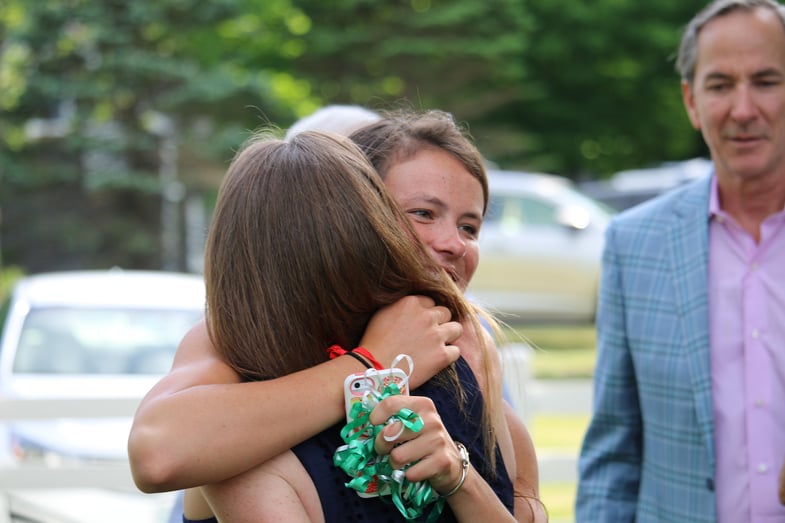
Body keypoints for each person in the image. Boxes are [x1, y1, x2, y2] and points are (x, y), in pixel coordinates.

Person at [128, 110, 545, 521]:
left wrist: (458, 478)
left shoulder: (468, 344)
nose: (454, 242)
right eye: (422, 213)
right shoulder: (237, 349)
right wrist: (371, 363)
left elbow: (525, 510)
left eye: (470, 227)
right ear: (357, 211)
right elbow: (159, 453)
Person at [575, 1, 785, 522]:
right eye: (719, 85)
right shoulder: (634, 244)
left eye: (765, 80)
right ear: (692, 101)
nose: (742, 109)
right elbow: (612, 455)